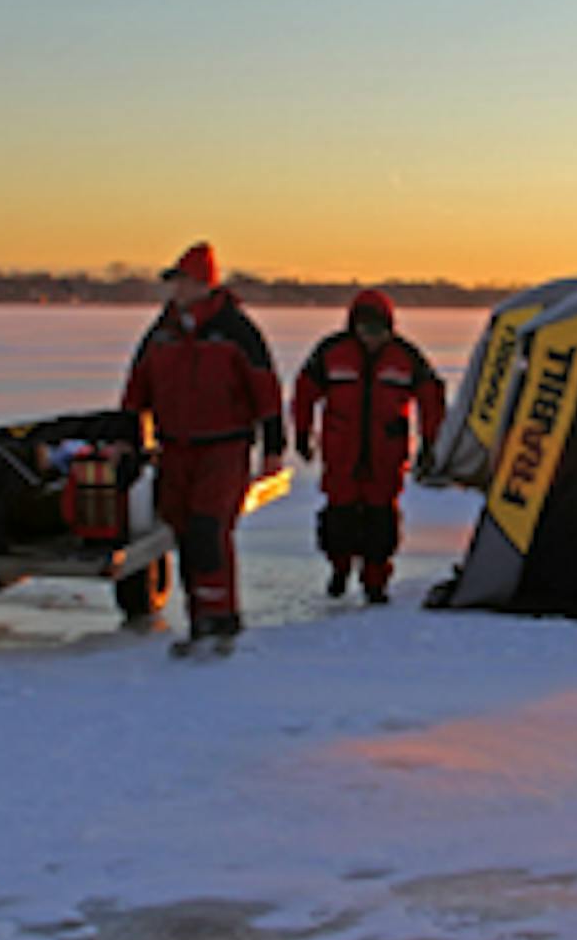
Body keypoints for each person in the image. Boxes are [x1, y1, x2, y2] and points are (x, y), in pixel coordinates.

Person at [121, 242, 283, 646]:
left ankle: (221, 618)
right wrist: (126, 439)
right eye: (174, 283)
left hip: (223, 448)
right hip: (175, 449)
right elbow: (136, 388)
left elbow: (265, 390)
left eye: (182, 282)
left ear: (202, 284)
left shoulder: (235, 330)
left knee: (209, 531)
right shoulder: (162, 332)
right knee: (181, 530)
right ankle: (200, 617)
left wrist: (274, 446)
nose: (176, 290)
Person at [292, 289, 446, 604]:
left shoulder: (405, 357)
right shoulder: (331, 352)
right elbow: (305, 391)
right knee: (339, 518)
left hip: (385, 455)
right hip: (340, 454)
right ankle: (340, 569)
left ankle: (376, 583)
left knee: (380, 522)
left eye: (378, 331)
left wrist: (431, 441)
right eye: (365, 330)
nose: (371, 338)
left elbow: (431, 397)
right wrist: (301, 432)